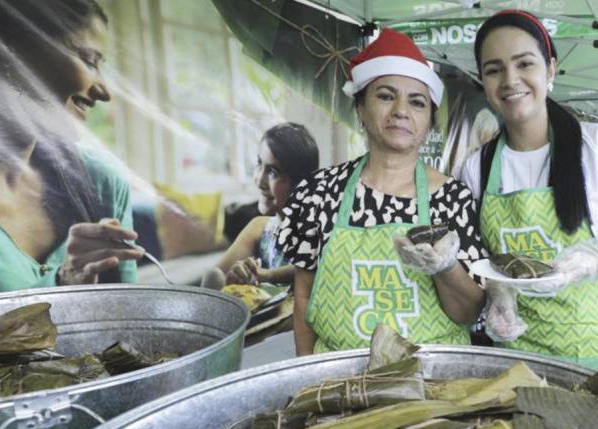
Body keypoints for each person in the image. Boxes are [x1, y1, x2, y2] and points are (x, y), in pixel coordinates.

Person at [460, 10, 598, 381]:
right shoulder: (477, 167)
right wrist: (498, 295)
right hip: (518, 352)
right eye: (494, 69)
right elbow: (481, 259)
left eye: (524, 64)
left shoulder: (597, 146)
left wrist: (591, 262)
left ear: (550, 70)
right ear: (482, 81)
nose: (510, 80)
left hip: (597, 350)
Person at [277, 28, 487, 355]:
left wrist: (445, 268)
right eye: (386, 96)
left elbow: (469, 312)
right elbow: (304, 296)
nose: (401, 110)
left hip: (431, 387)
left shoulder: (452, 199)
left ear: (429, 121)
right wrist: (307, 376)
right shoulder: (319, 192)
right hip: (338, 383)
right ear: (360, 108)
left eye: (417, 102)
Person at [0, 0, 143, 294]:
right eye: (89, 60)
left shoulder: (102, 182)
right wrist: (62, 283)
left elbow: (127, 319)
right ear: (15, 55)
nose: (104, 92)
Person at [202, 123, 319, 289]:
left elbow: (313, 268)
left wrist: (268, 275)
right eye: (259, 164)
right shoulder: (259, 227)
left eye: (273, 172)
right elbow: (215, 277)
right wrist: (233, 275)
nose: (259, 180)